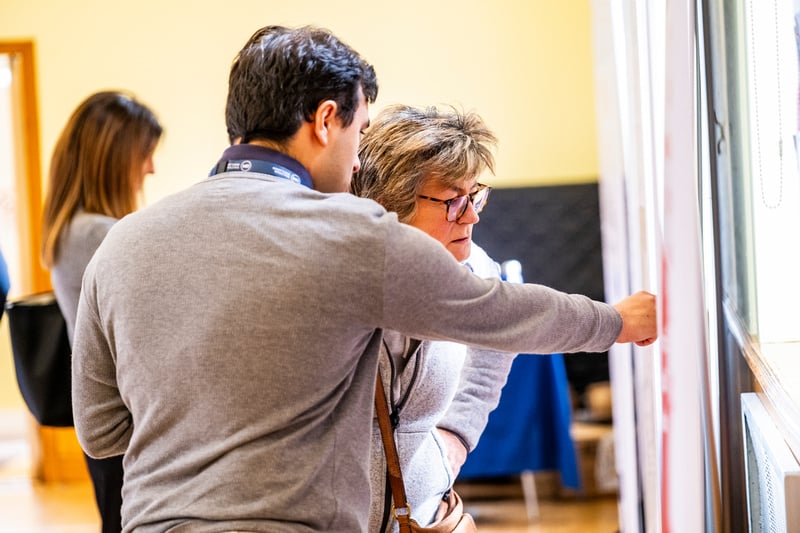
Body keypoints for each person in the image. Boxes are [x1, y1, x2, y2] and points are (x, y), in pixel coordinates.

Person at [71, 25, 657, 533]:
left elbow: (100, 432)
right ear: (327, 120)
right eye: (359, 130)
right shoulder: (347, 233)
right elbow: (497, 311)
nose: (357, 160)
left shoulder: (121, 242)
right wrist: (617, 321)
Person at [351, 104, 516, 530]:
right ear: (390, 204)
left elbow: (494, 352)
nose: (473, 215)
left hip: (425, 516)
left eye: (474, 194)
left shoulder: (479, 270)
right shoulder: (341, 277)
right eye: (453, 201)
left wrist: (457, 437)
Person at [40, 90, 162, 533]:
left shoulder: (69, 230)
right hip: (123, 420)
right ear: (113, 157)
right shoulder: (103, 236)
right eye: (145, 154)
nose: (151, 167)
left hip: (102, 414)